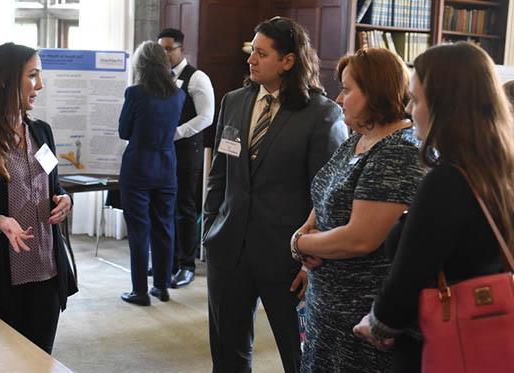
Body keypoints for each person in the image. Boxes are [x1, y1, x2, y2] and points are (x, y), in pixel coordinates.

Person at [353, 42, 514, 373]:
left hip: (445, 341)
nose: (410, 110)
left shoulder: (447, 181)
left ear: (445, 106)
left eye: (415, 99)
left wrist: (379, 322)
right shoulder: (500, 169)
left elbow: (410, 273)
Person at [203, 16, 348, 372]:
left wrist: (313, 261)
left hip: (289, 258)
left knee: (299, 357)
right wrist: (208, 228)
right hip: (229, 249)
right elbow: (219, 174)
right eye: (252, 52)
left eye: (261, 53)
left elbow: (326, 195)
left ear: (288, 60)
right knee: (227, 353)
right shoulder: (234, 102)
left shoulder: (322, 114)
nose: (251, 60)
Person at [291, 48, 425, 372]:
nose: (339, 98)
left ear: (375, 92)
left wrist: (298, 244)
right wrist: (305, 234)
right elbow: (325, 193)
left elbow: (359, 240)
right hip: (328, 311)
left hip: (362, 322)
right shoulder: (359, 139)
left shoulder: (398, 151)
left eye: (348, 89)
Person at [0, 42, 77, 354]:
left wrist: (64, 200)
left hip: (48, 276)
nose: (40, 84)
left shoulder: (42, 132)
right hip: (1, 280)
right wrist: (0, 221)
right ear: (5, 80)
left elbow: (55, 186)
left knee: (40, 360)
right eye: (32, 76)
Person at [119, 41, 186, 306]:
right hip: (167, 167)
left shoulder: (135, 93)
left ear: (141, 64)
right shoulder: (179, 95)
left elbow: (124, 131)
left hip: (137, 168)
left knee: (139, 229)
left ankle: (140, 291)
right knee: (164, 227)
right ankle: (161, 286)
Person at [157, 28, 215, 288]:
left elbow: (206, 116)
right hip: (162, 151)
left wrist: (176, 133)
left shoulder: (197, 77)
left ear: (182, 49)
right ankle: (166, 261)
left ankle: (186, 265)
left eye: (169, 49)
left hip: (187, 150)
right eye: (161, 49)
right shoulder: (158, 76)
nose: (165, 53)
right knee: (163, 207)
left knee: (185, 208)